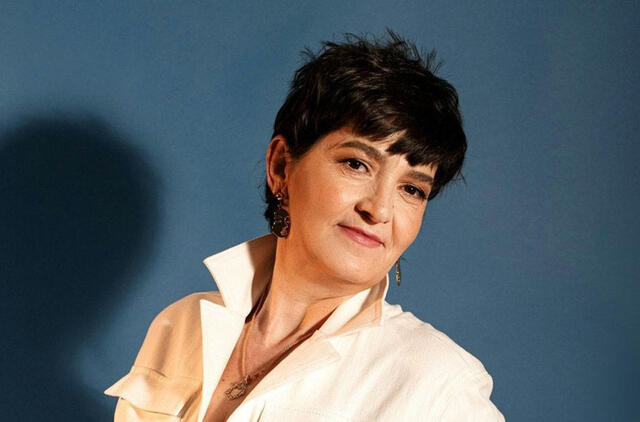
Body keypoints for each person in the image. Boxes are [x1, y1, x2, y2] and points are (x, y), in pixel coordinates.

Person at [105, 31, 504, 421]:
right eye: (356, 164)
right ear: (281, 166)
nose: (380, 209)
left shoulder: (438, 386)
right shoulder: (182, 325)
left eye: (412, 189)